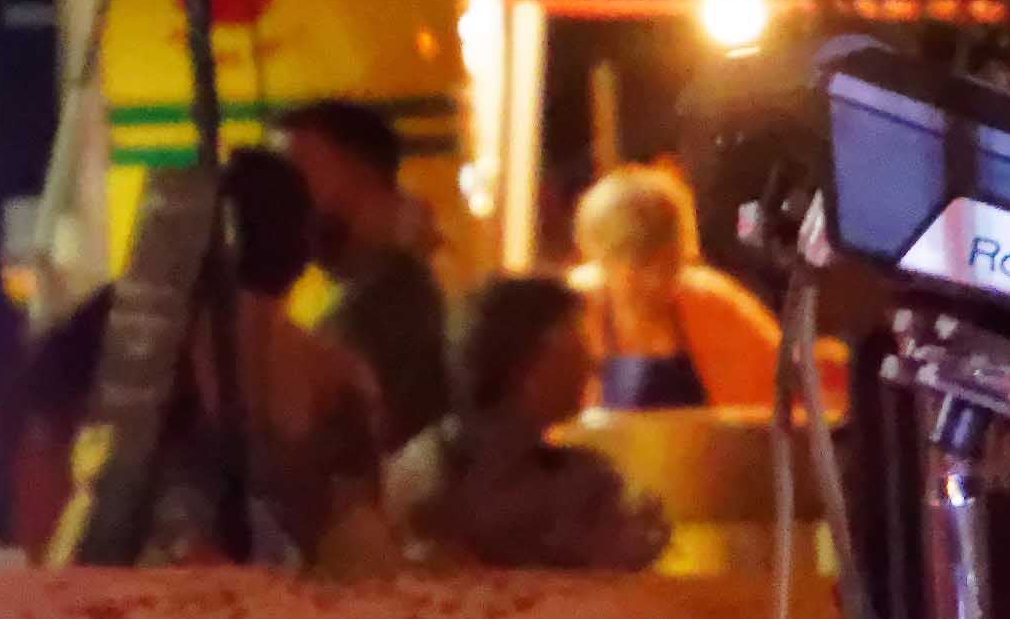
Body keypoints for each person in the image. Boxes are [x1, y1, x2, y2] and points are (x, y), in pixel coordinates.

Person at [5, 147, 395, 567]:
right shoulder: (338, 378)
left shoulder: (124, 325)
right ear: (302, 254)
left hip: (124, 585)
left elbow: (36, 433)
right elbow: (361, 549)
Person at [387, 275, 669, 574]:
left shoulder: (413, 469)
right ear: (528, 366)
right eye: (576, 345)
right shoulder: (579, 490)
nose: (592, 364)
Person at [274, 95, 454, 450]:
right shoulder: (390, 290)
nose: (282, 201)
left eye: (297, 175)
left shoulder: (384, 310)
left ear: (363, 173)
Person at [569, 158, 782, 412]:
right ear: (602, 260)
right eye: (640, 267)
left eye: (669, 265)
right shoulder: (573, 312)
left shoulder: (715, 307)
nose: (656, 280)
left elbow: (784, 394)